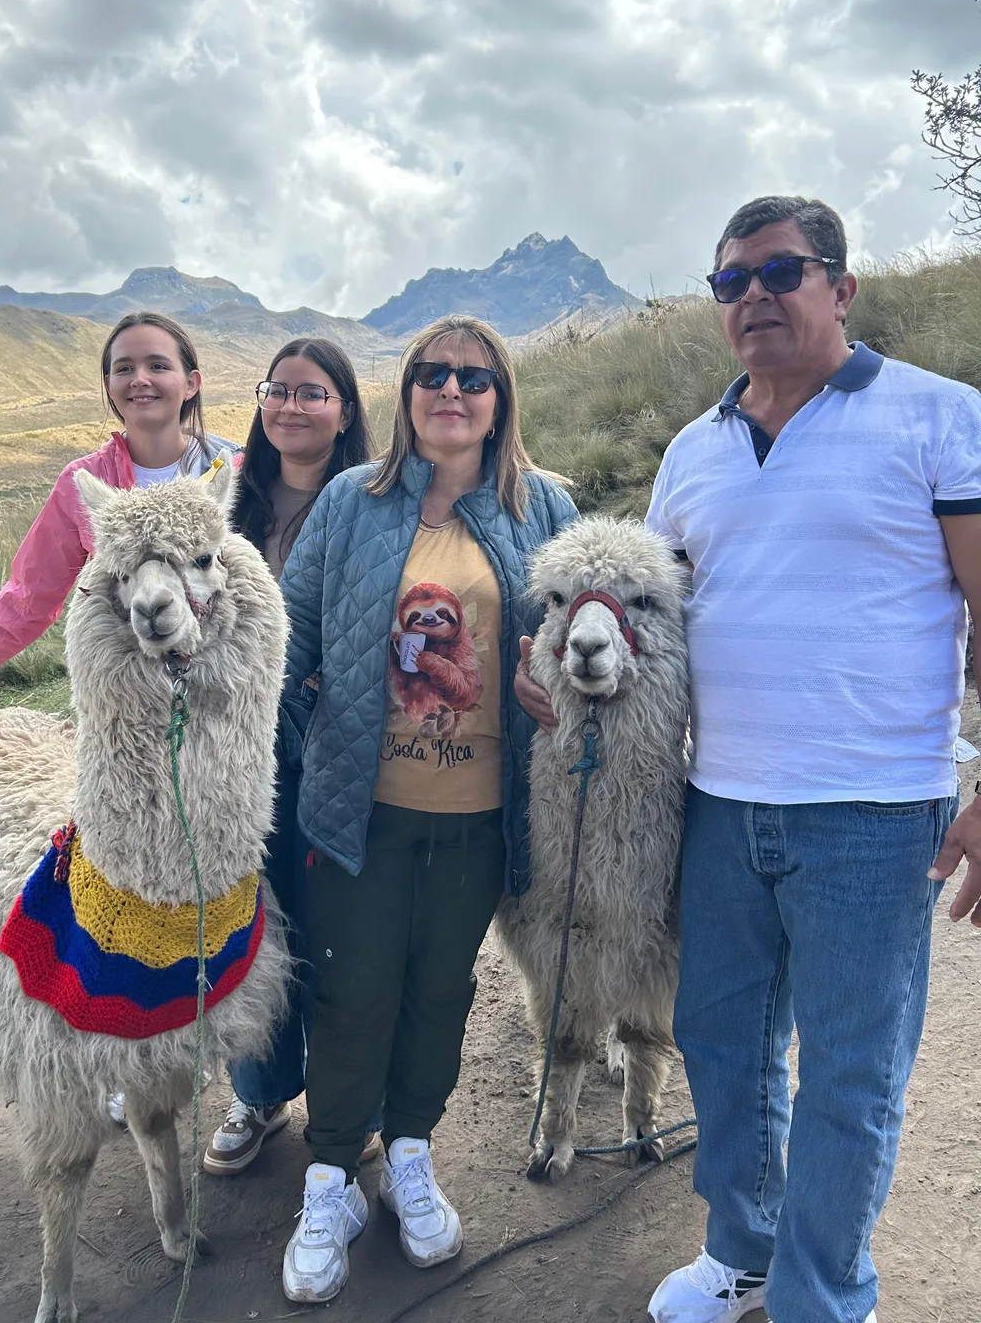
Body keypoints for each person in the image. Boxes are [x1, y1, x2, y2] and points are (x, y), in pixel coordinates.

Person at [516, 196, 981, 1323]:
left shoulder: (938, 417)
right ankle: (743, 1248)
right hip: (719, 802)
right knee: (722, 1042)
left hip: (871, 812)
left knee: (850, 1074)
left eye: (783, 271)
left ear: (840, 287)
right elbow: (649, 609)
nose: (756, 297)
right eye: (733, 281)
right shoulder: (696, 449)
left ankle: (826, 1294)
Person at [277, 315, 578, 1305]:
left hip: (482, 814)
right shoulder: (347, 506)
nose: (453, 390)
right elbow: (293, 641)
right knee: (352, 989)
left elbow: (585, 651)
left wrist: (556, 703)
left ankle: (409, 1149)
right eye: (432, 374)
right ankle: (330, 1178)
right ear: (405, 394)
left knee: (439, 989)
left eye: (475, 377)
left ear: (502, 399)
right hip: (360, 811)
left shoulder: (548, 509)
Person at [0, 310, 241, 729]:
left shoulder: (230, 471)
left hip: (223, 687)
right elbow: (27, 601)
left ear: (191, 383)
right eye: (124, 368)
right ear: (109, 384)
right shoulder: (86, 485)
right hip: (128, 694)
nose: (140, 378)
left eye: (158, 365)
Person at [201, 336, 379, 1175]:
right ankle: (259, 1088)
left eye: (314, 393)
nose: (292, 406)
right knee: (247, 916)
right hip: (235, 750)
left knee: (338, 926)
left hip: (337, 743)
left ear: (345, 411)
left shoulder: (372, 506)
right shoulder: (227, 505)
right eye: (279, 390)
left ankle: (350, 1104)